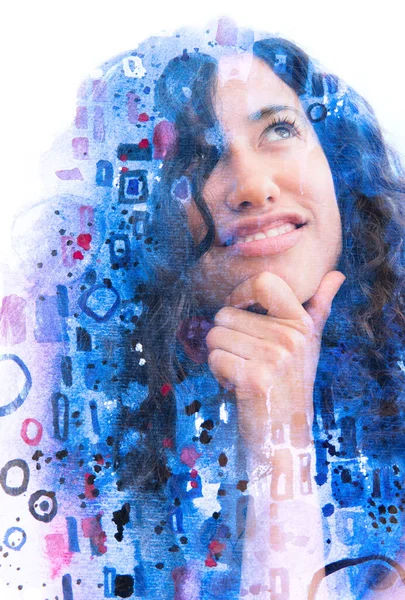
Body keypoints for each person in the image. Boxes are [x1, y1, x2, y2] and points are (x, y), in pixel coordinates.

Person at [3, 18, 405, 600]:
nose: (251, 184)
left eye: (279, 129)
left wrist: (280, 433)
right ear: (138, 219)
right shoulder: (49, 452)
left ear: (338, 168)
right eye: (194, 157)